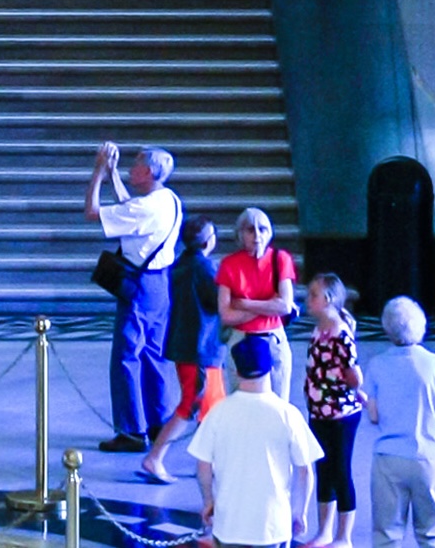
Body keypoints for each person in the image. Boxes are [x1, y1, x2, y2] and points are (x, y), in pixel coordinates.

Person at [88, 142, 185, 455]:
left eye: (136, 165)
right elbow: (129, 207)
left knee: (127, 356)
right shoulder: (168, 199)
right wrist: (115, 174)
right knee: (153, 354)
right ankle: (158, 421)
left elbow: (92, 212)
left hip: (140, 287)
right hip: (161, 284)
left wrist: (98, 173)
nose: (132, 168)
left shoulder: (145, 208)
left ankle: (130, 430)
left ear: (148, 172)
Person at [188, 334, 322, 548]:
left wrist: (209, 502)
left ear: (236, 371)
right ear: (271, 368)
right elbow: (305, 471)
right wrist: (300, 512)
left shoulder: (218, 413)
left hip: (229, 525)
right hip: (273, 526)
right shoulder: (287, 414)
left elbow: (203, 466)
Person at [365, 296, 435, 548]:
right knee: (432, 533)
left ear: (386, 327)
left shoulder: (376, 365)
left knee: (387, 535)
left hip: (388, 459)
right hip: (432, 458)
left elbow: (373, 416)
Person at [300, 269, 369, 548]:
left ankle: (344, 536)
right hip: (319, 411)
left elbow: (355, 376)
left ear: (328, 299)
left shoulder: (341, 334)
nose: (308, 299)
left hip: (340, 414)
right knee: (324, 469)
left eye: (313, 295)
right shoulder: (320, 329)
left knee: (341, 470)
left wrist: (352, 387)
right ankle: (324, 531)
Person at [148, 212, 217, 483]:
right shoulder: (205, 268)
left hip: (187, 344)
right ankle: (155, 457)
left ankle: (208, 462)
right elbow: (217, 302)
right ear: (207, 241)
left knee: (211, 407)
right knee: (192, 403)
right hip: (200, 347)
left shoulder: (181, 265)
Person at [210, 207, 302, 408]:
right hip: (241, 340)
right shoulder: (229, 264)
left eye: (263, 229)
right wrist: (269, 305)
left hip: (274, 338)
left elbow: (285, 306)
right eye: (251, 230)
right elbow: (226, 315)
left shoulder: (280, 259)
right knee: (239, 403)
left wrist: (244, 303)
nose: (257, 236)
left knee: (278, 404)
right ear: (240, 234)